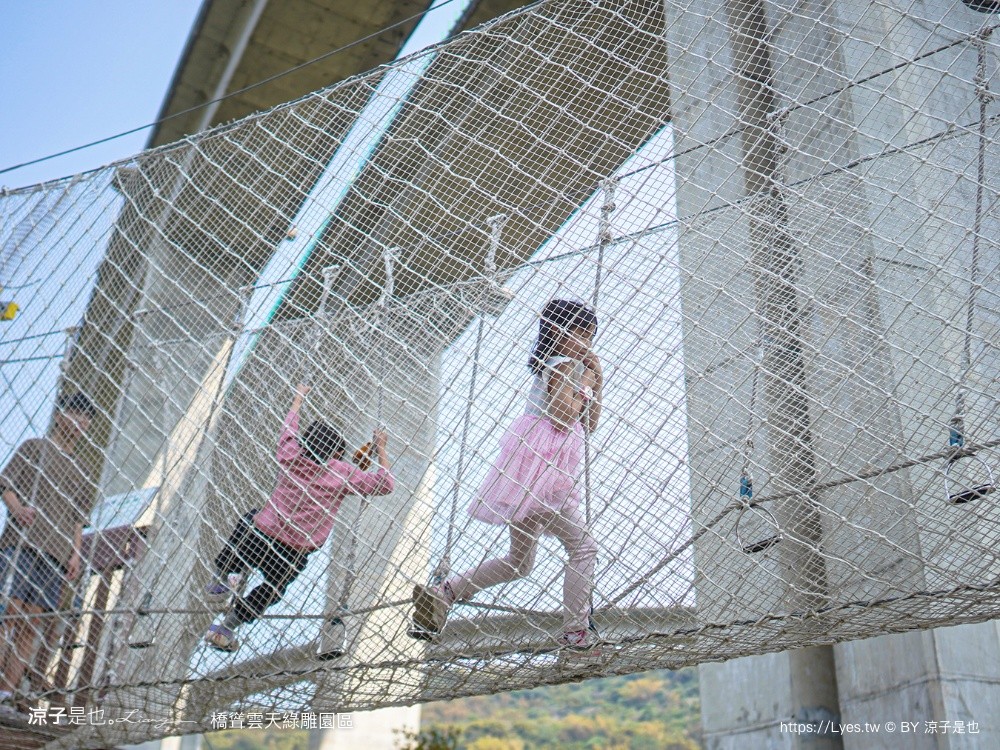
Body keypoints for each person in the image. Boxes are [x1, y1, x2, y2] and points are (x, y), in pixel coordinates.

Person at [412, 299, 603, 650]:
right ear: (558, 334)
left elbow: (589, 422)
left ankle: (446, 592)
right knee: (584, 548)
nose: (587, 343)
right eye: (580, 333)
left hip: (533, 479)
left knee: (520, 563)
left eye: (590, 336)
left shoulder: (574, 368)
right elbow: (563, 416)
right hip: (542, 477)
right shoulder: (562, 366)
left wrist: (596, 382)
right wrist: (586, 382)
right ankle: (576, 631)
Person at [204, 383, 394, 652]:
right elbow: (385, 485)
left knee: (248, 520)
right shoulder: (341, 473)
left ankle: (223, 575)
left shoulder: (290, 455)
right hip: (293, 551)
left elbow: (288, 429)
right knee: (272, 588)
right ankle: (228, 626)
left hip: (262, 534)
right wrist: (382, 449)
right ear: (335, 454)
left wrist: (298, 399)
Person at [0, 392, 97, 702]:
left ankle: (5, 694)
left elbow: (79, 519)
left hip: (56, 553)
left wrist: (76, 553)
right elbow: (5, 483)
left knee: (33, 623)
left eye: (86, 420)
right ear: (60, 415)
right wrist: (16, 509)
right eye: (75, 415)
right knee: (9, 612)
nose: (80, 423)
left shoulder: (84, 469)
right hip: (22, 543)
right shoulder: (34, 447)